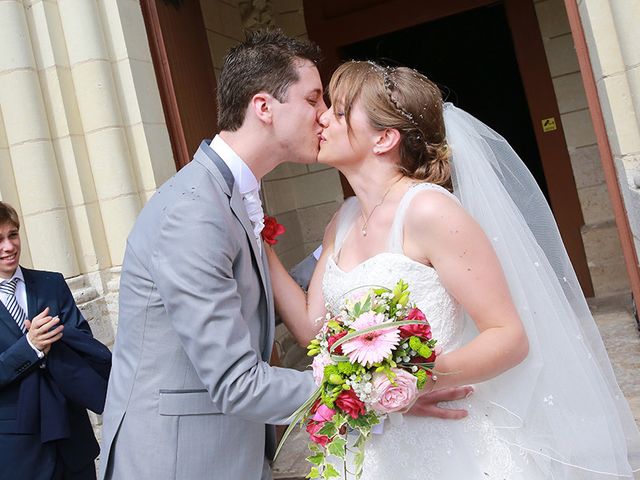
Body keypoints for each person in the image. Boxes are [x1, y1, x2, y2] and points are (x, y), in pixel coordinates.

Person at [266, 61, 640, 479]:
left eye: (338, 111)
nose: (322, 117)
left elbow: (509, 336)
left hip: (449, 444)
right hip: (375, 448)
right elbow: (312, 326)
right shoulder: (345, 218)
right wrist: (258, 239)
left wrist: (411, 383)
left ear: (384, 138)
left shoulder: (429, 210)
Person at [0, 201, 111, 480]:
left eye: (13, 235)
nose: (9, 246)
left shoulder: (51, 283)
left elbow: (85, 342)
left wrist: (58, 337)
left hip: (72, 436)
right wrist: (30, 347)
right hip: (18, 449)